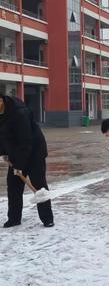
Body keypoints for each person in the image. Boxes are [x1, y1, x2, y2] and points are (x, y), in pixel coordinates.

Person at [0, 94, 54, 228]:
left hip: (35, 152)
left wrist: (18, 165)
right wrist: (3, 153)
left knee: (38, 184)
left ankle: (47, 218)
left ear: (1, 101)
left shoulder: (19, 113)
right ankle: (14, 218)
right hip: (16, 153)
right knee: (13, 186)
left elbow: (26, 141)